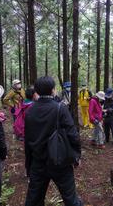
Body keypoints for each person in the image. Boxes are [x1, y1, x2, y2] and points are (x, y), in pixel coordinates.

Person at [24, 76, 82, 206]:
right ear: (52, 90)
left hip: (38, 162)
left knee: (34, 200)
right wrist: (76, 156)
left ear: (37, 91)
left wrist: (29, 165)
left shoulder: (29, 111)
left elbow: (27, 141)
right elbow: (72, 134)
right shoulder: (60, 108)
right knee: (70, 199)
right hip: (60, 161)